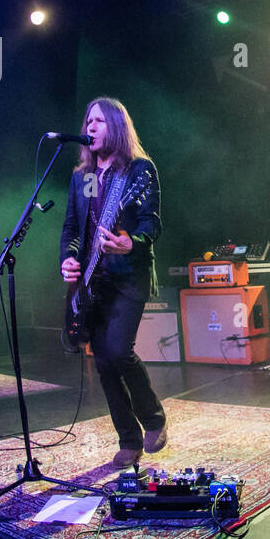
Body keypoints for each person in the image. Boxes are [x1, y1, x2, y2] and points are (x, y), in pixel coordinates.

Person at [59, 97, 166, 469]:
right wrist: (68, 261)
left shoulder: (139, 171)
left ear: (116, 127)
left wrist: (131, 242)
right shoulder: (81, 177)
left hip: (128, 276)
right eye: (87, 120)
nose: (89, 126)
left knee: (118, 351)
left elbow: (150, 222)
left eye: (99, 121)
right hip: (92, 281)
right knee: (103, 362)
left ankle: (153, 418)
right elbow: (72, 229)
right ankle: (129, 439)